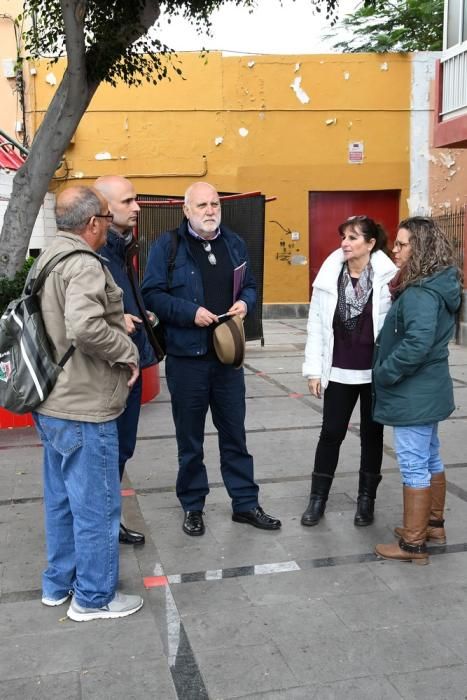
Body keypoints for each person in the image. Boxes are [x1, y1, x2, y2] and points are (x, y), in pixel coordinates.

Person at [141, 181, 281, 536]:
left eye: (214, 204)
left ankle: (246, 504)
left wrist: (245, 303)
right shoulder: (168, 245)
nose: (209, 211)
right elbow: (151, 294)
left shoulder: (233, 243)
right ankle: (193, 505)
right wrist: (190, 312)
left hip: (227, 357)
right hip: (187, 358)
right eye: (201, 205)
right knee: (190, 440)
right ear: (186, 210)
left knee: (235, 433)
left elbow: (249, 283)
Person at [34, 185, 143, 621]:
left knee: (60, 500)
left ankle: (58, 585)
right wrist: (126, 350)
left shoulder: (49, 256)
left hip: (53, 401)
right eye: (106, 215)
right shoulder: (83, 265)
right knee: (97, 506)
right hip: (85, 405)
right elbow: (83, 328)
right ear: (94, 222)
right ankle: (94, 598)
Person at [374, 217, 461, 565]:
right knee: (430, 456)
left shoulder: (422, 292)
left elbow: (417, 342)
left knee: (413, 463)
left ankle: (413, 545)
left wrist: (385, 371)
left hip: (414, 391)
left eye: (402, 244)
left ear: (420, 248)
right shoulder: (436, 285)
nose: (394, 249)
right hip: (428, 388)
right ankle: (433, 526)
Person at [301, 215, 397, 527]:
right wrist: (313, 370)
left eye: (354, 237)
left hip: (374, 372)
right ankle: (317, 500)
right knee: (330, 433)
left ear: (370, 244)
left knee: (372, 435)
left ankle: (366, 501)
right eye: (344, 236)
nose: (345, 242)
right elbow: (316, 325)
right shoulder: (329, 276)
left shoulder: (389, 278)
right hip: (339, 369)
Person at [95, 175, 163, 546]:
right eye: (128, 201)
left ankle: (109, 521)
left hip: (130, 365)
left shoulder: (121, 247)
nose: (137, 207)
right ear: (104, 210)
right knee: (110, 452)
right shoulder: (95, 253)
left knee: (121, 450)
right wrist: (114, 319)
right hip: (112, 372)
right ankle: (103, 526)